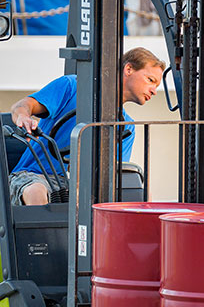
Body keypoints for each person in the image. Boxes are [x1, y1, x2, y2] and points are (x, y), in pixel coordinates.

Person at [9, 47, 165, 205]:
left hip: (77, 185)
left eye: (157, 86)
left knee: (141, 195)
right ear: (129, 69)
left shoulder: (126, 128)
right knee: (37, 191)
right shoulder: (71, 86)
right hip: (34, 176)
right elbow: (22, 106)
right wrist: (23, 116)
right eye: (150, 80)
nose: (154, 91)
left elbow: (113, 177)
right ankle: (45, 230)